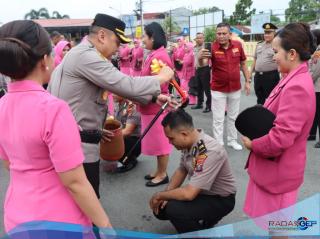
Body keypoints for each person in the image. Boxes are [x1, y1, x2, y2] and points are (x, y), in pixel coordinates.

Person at [0, 20, 111, 233]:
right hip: (59, 220)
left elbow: (8, 163)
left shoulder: (2, 105)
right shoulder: (53, 109)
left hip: (17, 216)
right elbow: (75, 182)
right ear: (44, 60)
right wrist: (105, 225)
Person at [48, 14, 174, 198]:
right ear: (101, 36)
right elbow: (124, 83)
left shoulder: (82, 53)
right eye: (116, 43)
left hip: (75, 137)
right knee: (87, 202)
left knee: (80, 200)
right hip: (78, 145)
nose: (118, 49)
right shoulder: (87, 56)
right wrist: (161, 78)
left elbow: (117, 88)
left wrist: (154, 99)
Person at [242, 23, 316, 237]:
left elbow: (281, 138)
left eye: (276, 52)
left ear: (292, 54)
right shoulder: (291, 78)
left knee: (280, 230)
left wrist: (252, 144)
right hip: (276, 170)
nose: (273, 57)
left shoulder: (296, 86)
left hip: (280, 173)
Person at [150, 109, 236, 233]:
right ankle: (205, 219)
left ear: (184, 134)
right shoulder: (189, 142)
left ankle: (202, 228)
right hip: (202, 192)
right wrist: (166, 195)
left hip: (221, 199)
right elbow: (182, 169)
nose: (169, 142)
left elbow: (189, 193)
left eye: (171, 138)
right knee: (161, 209)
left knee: (173, 209)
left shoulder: (209, 151)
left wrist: (159, 195)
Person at [199, 22, 251, 150]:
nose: (221, 36)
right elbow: (203, 64)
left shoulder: (238, 45)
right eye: (218, 34)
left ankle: (232, 140)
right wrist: (200, 58)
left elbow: (243, 63)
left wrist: (248, 81)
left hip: (235, 88)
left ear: (230, 34)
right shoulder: (212, 47)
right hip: (218, 89)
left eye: (224, 33)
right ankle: (218, 143)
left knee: (233, 117)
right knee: (218, 118)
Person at [140, 22, 173, 187]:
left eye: (145, 36)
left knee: (161, 143)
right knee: (156, 141)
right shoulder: (155, 54)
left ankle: (163, 174)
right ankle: (158, 170)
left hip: (156, 106)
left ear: (153, 37)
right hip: (150, 105)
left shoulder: (160, 56)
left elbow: (158, 85)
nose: (142, 39)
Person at [250, 23, 280, 105]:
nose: (266, 35)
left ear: (274, 33)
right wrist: (250, 75)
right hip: (258, 76)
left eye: (269, 33)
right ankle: (261, 115)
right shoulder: (259, 44)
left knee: (271, 99)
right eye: (265, 33)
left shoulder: (278, 46)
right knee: (259, 98)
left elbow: (281, 61)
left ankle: (270, 116)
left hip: (271, 76)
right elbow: (255, 60)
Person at [113, 94, 141, 173]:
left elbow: (128, 131)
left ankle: (130, 160)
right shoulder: (119, 104)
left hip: (135, 140)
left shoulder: (133, 106)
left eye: (114, 92)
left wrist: (110, 136)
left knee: (109, 138)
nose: (112, 95)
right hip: (124, 137)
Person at [191, 32, 211, 113]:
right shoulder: (195, 47)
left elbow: (207, 59)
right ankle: (200, 103)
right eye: (197, 38)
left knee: (206, 89)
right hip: (197, 69)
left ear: (203, 39)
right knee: (199, 88)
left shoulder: (205, 47)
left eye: (200, 38)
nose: (198, 39)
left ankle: (209, 106)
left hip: (204, 69)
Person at [309, 29, 320, 147]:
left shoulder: (319, 51)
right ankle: (312, 134)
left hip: (317, 88)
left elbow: (316, 70)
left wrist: (307, 81)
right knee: (315, 113)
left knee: (318, 113)